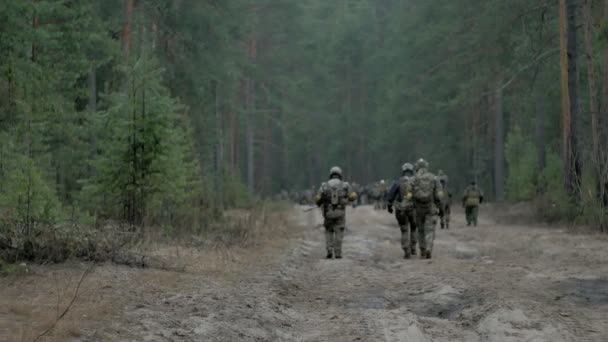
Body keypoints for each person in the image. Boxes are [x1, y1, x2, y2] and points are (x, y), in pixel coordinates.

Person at [315, 166, 357, 259]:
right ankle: (338, 253)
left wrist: (319, 203)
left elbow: (318, 198)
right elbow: (352, 196)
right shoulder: (345, 185)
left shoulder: (324, 185)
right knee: (339, 231)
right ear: (339, 174)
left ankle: (329, 250)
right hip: (340, 212)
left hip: (328, 213)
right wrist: (349, 198)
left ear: (331, 174)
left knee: (329, 231)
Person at [405, 158, 443, 259]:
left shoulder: (412, 179)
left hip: (418, 208)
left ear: (417, 167)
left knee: (420, 229)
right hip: (430, 206)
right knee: (430, 229)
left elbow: (408, 195)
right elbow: (439, 195)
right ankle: (429, 248)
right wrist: (439, 206)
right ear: (426, 166)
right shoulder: (434, 178)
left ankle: (422, 250)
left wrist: (409, 205)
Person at [386, 163, 418, 258]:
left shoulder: (398, 182)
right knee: (414, 228)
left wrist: (389, 207)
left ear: (403, 171)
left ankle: (406, 250)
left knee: (404, 230)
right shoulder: (415, 181)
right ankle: (413, 248)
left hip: (401, 209)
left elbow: (390, 196)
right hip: (413, 209)